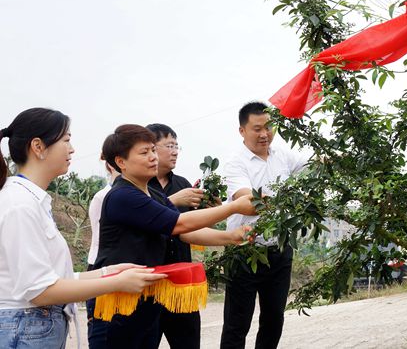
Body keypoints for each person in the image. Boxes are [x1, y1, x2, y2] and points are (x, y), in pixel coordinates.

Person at [0, 108, 167, 349]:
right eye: (66, 140)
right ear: (38, 147)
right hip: (25, 326)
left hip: (31, 325)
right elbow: (40, 291)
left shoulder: (31, 201)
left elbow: (54, 279)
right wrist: (117, 283)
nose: (72, 149)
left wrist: (108, 272)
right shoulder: (19, 205)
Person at [89, 124, 256, 348]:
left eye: (152, 150)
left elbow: (185, 232)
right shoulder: (122, 196)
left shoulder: (152, 194)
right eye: (144, 152)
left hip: (146, 295)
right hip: (120, 299)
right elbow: (180, 223)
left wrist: (231, 236)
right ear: (121, 162)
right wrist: (233, 207)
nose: (152, 157)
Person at [221, 102, 308, 349]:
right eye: (257, 128)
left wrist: (335, 159)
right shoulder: (235, 163)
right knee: (237, 323)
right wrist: (282, 199)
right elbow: (246, 199)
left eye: (269, 127)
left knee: (273, 319)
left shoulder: (282, 154)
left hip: (279, 251)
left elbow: (311, 166)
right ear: (242, 131)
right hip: (244, 251)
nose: (264, 134)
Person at [146, 123, 233, 349]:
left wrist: (214, 210)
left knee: (188, 342)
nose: (175, 151)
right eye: (169, 145)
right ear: (150, 148)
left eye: (177, 146)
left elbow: (192, 229)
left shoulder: (182, 184)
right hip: (147, 282)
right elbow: (150, 220)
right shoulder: (139, 185)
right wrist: (174, 200)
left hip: (181, 283)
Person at [85, 158, 120, 340]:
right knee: (103, 331)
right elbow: (102, 240)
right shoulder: (103, 196)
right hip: (102, 268)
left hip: (119, 270)